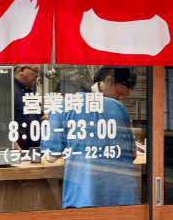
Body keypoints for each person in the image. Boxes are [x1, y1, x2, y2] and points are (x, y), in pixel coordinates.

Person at [41, 67, 141, 209]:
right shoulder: (118, 106)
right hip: (124, 197)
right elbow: (132, 154)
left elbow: (50, 157)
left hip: (85, 197)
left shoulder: (61, 107)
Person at [13, 65, 40, 150]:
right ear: (22, 70)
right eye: (35, 71)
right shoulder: (9, 90)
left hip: (32, 150)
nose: (37, 75)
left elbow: (39, 116)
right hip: (18, 152)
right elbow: (1, 125)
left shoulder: (30, 92)